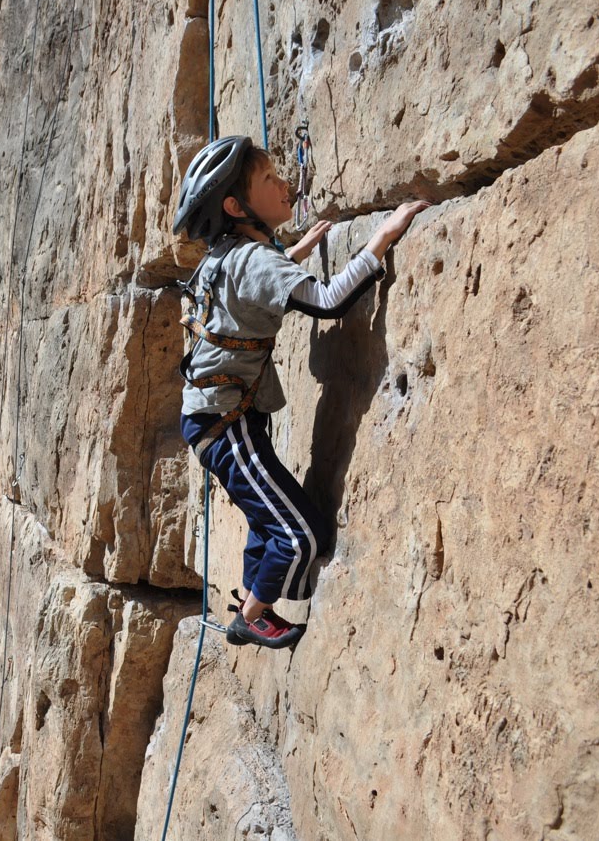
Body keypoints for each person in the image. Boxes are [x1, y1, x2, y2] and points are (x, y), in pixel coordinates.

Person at [174, 135, 429, 649]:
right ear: (234, 205)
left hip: (217, 418)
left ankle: (251, 595)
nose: (285, 184)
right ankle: (251, 616)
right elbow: (329, 300)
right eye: (269, 180)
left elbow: (242, 292)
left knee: (269, 518)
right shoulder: (255, 260)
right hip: (228, 425)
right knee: (301, 535)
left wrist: (290, 253)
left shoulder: (228, 255)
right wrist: (382, 237)